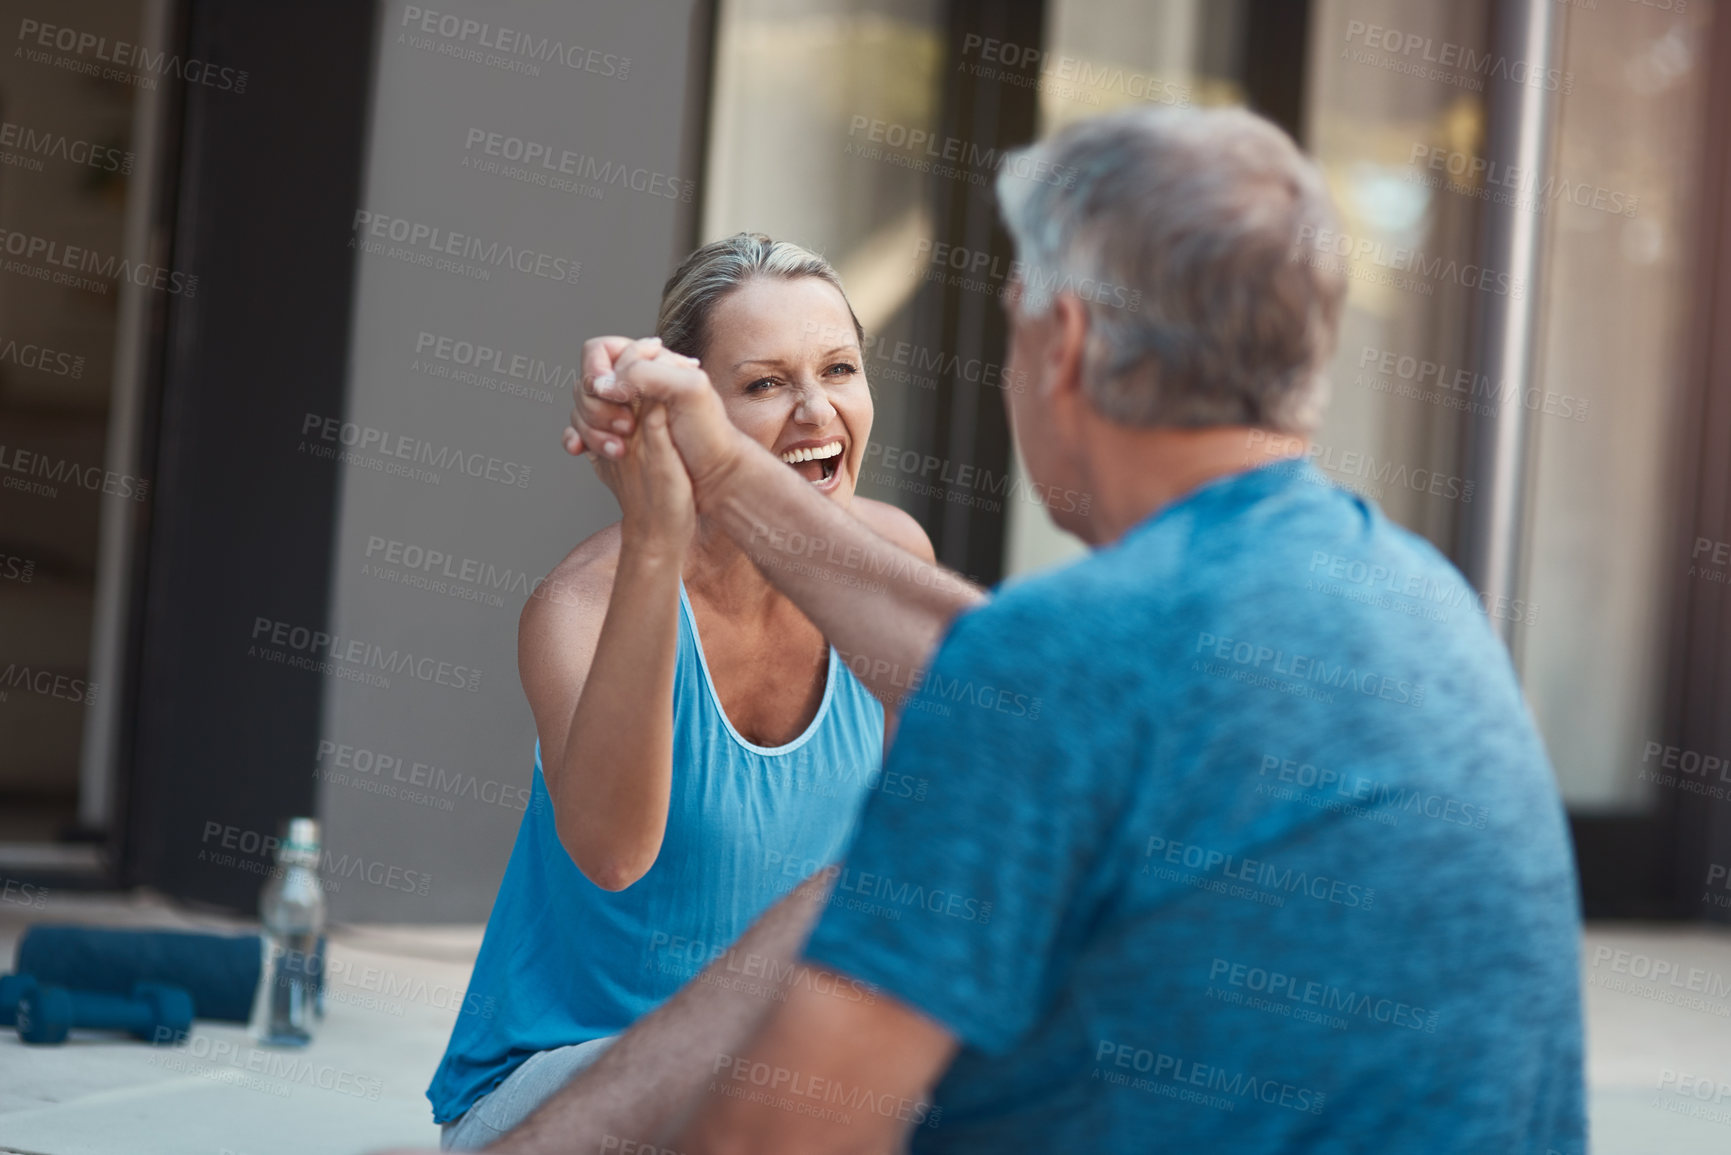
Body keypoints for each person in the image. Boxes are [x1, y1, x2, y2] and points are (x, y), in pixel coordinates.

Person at [392, 103, 1585, 1155]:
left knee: (863, 899)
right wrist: (709, 473)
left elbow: (775, 1137)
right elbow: (1002, 678)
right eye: (764, 385)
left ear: (1061, 345)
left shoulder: (1071, 661)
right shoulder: (1424, 597)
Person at [423, 234, 938, 1150]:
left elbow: (922, 868)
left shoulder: (890, 564)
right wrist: (655, 532)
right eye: (765, 383)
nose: (816, 409)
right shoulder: (577, 607)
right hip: (567, 1100)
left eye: (838, 369)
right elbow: (615, 854)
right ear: (690, 413)